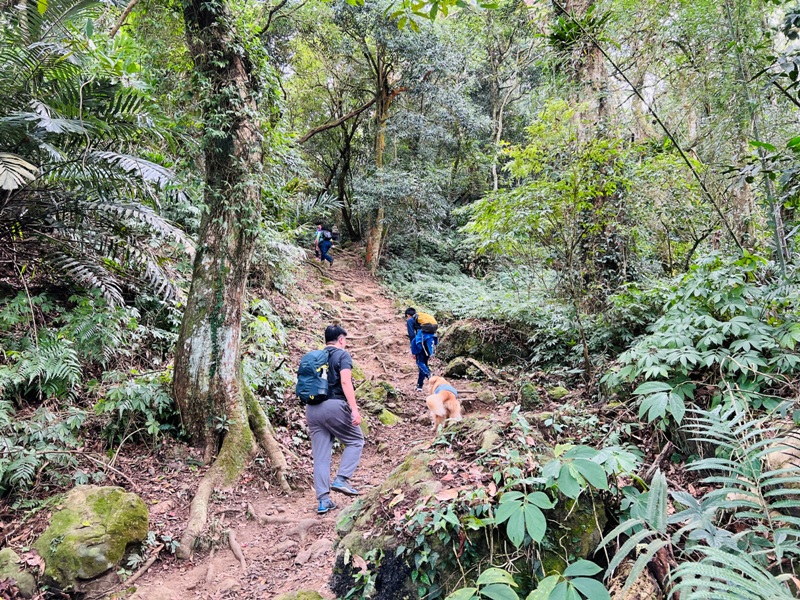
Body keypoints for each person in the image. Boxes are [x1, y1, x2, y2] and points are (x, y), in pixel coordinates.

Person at [306, 324, 363, 514]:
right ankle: (342, 478)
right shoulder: (342, 355)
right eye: (344, 340)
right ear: (340, 340)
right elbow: (345, 381)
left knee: (321, 457)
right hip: (335, 406)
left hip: (312, 409)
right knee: (356, 440)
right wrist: (354, 409)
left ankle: (323, 501)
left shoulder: (315, 357)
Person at [404, 307, 438, 391]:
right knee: (423, 364)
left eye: (406, 317)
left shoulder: (410, 320)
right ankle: (419, 386)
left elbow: (412, 335)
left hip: (421, 342)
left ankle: (430, 376)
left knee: (419, 362)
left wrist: (413, 348)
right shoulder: (422, 321)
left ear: (408, 315)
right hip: (429, 341)